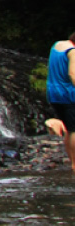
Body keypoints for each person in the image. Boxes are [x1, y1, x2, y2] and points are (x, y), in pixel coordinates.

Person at [46, 32, 75, 172]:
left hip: (53, 94)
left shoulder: (57, 45)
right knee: (74, 129)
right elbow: (72, 73)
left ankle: (73, 162)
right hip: (69, 94)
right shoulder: (73, 51)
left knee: (69, 129)